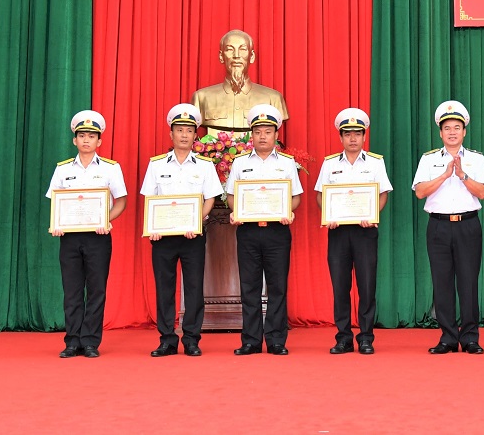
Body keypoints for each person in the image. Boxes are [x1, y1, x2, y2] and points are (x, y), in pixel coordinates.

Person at [140, 104, 223, 357]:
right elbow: (150, 199)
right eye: (179, 130)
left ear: (195, 135)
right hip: (163, 237)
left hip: (192, 236)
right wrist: (152, 227)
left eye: (189, 130)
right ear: (171, 134)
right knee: (164, 288)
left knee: (194, 288)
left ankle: (191, 339)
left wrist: (198, 220)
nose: (184, 135)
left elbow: (211, 198)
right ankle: (167, 339)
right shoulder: (156, 165)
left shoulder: (204, 165)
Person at [44, 110, 128, 358]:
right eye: (82, 136)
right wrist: (57, 222)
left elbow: (121, 202)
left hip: (98, 237)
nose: (86, 140)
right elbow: (55, 201)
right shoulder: (62, 170)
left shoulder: (111, 168)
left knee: (96, 290)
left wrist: (106, 219)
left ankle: (90, 341)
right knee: (71, 291)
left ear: (99, 141)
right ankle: (72, 341)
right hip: (69, 237)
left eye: (91, 136)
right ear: (74, 140)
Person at [413, 100, 484, 354]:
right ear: (440, 133)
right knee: (442, 282)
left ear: (464, 131)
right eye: (447, 128)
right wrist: (445, 175)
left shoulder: (476, 159)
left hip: (468, 225)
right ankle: (447, 337)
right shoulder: (428, 160)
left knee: (468, 283)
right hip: (438, 226)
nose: (452, 132)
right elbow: (420, 192)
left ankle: (470, 338)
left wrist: (462, 175)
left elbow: (482, 192)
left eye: (457, 127)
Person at [314, 108, 393, 355]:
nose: (352, 139)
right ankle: (343, 338)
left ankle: (366, 337)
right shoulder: (329, 164)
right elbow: (320, 195)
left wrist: (373, 215)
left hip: (365, 232)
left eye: (357, 134)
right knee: (340, 287)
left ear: (364, 136)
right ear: (340, 137)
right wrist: (328, 215)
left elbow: (383, 194)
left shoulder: (375, 162)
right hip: (338, 232)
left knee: (367, 286)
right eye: (347, 134)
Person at [226, 103, 303, 355]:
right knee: (249, 286)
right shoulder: (240, 163)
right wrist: (236, 211)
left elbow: (295, 197)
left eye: (268, 132)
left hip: (277, 231)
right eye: (258, 132)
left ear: (276, 135)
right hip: (248, 231)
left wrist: (288, 211)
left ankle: (276, 340)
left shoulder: (287, 163)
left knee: (277, 286)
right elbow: (231, 196)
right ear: (251, 134)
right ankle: (250, 340)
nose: (262, 136)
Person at [191, 29, 289, 135]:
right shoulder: (201, 97)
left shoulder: (273, 99)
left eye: (243, 49)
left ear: (252, 56)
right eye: (230, 49)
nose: (236, 55)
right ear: (221, 57)